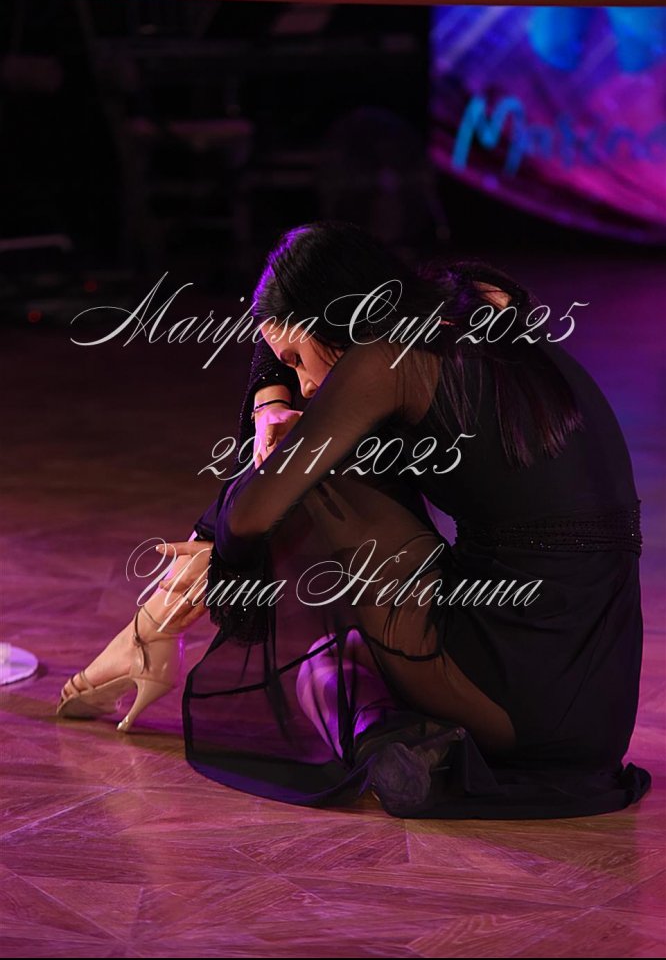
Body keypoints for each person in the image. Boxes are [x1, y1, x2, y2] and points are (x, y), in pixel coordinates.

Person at [56, 221, 651, 820]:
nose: (304, 383)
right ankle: (388, 741)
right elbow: (284, 326)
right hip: (596, 703)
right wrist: (270, 403)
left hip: (514, 684)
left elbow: (252, 515)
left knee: (307, 476)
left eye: (298, 361)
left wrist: (224, 536)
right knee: (327, 657)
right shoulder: (470, 302)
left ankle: (155, 634)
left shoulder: (388, 359)